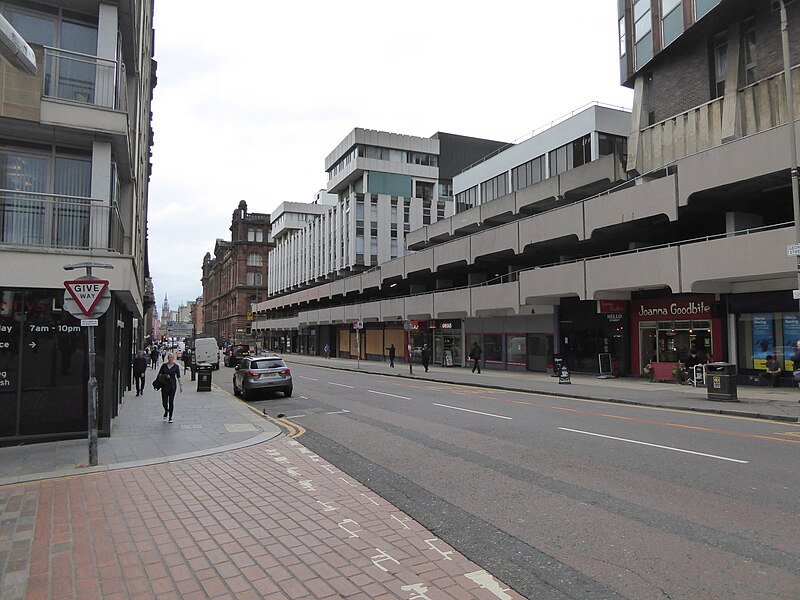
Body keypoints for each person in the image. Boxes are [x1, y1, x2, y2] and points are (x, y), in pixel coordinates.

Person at [158, 353, 183, 423]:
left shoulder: (176, 367)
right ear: (168, 358)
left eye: (172, 357)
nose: (171, 359)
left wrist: (181, 385)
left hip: (172, 385)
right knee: (164, 401)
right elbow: (160, 375)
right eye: (169, 357)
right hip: (164, 385)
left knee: (171, 401)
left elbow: (178, 376)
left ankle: (170, 417)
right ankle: (166, 410)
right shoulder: (164, 366)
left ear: (173, 358)